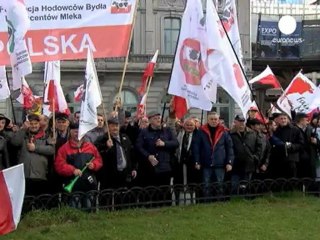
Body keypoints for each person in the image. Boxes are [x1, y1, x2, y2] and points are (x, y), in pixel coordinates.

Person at [55, 122, 102, 210]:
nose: (78, 134)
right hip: (73, 186)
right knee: (75, 209)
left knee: (90, 208)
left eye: (80, 132)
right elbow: (59, 165)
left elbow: (99, 160)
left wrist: (94, 165)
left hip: (89, 185)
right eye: (75, 131)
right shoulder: (64, 149)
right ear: (70, 132)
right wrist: (72, 170)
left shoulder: (91, 147)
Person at [136, 111, 179, 206]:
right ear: (150, 120)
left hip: (164, 165)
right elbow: (139, 146)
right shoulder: (144, 132)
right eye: (155, 118)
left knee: (164, 190)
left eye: (159, 118)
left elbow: (176, 143)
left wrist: (165, 144)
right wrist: (148, 156)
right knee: (151, 190)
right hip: (150, 167)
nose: (158, 120)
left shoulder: (167, 131)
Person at [10, 114, 55, 196]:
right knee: (26, 199)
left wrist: (35, 148)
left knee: (39, 198)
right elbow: (14, 142)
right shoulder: (22, 135)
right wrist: (23, 129)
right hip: (24, 174)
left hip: (40, 174)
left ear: (39, 124)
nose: (34, 126)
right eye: (31, 123)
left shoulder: (46, 136)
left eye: (36, 123)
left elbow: (51, 150)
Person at [193, 112, 234, 199]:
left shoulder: (224, 132)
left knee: (219, 185)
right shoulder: (201, 131)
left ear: (218, 120)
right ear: (207, 120)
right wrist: (197, 161)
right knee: (206, 186)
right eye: (211, 119)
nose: (213, 121)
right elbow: (196, 148)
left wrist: (229, 162)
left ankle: (219, 204)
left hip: (220, 164)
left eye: (215, 119)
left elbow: (229, 148)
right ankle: (207, 204)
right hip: (206, 163)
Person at [95, 116, 137, 190]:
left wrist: (134, 168)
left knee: (123, 197)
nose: (115, 128)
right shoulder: (102, 139)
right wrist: (106, 146)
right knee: (107, 197)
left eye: (116, 125)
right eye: (112, 126)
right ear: (108, 127)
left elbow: (132, 154)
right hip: (109, 176)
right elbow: (97, 153)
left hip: (124, 174)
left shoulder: (125, 138)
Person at [230, 115, 263, 194]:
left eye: (243, 122)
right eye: (239, 122)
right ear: (235, 122)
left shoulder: (252, 133)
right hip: (236, 164)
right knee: (234, 184)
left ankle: (245, 199)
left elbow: (259, 146)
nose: (241, 124)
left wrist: (255, 157)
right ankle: (235, 199)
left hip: (248, 163)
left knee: (246, 184)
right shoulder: (231, 134)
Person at [271, 112, 304, 179]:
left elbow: (301, 144)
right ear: (278, 120)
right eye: (281, 119)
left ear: (288, 119)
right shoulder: (276, 131)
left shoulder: (295, 129)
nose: (283, 120)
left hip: (292, 158)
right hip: (279, 158)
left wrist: (292, 146)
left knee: (292, 178)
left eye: (285, 118)